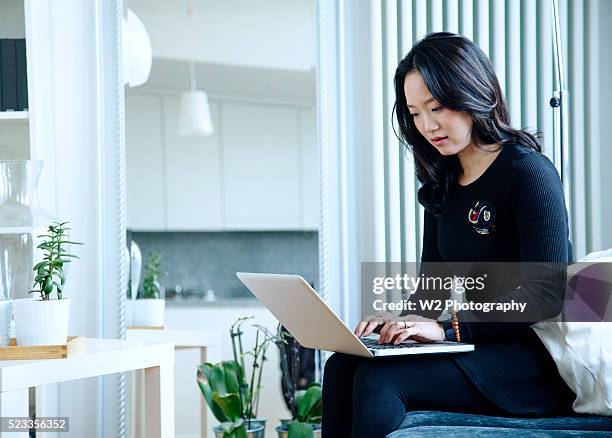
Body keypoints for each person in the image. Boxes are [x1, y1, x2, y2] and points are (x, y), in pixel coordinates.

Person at [321, 32, 576, 438]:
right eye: (415, 113)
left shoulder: (528, 173)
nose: (427, 126)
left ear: (474, 93)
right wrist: (399, 325)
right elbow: (431, 292)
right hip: (478, 346)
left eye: (436, 107)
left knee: (380, 380)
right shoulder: (444, 182)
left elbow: (546, 296)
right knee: (342, 365)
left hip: (530, 360)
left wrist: (450, 329)